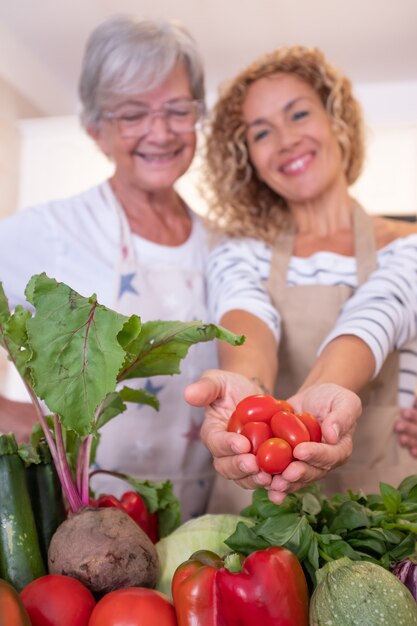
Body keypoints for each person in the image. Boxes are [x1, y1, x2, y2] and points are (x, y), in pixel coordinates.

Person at [0, 15, 218, 521]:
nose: (159, 131)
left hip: (206, 531)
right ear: (98, 130)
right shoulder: (52, 230)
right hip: (87, 525)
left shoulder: (222, 243)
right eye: (132, 113)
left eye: (176, 109)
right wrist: (15, 415)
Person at [185, 45, 417, 508]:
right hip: (262, 516)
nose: (286, 139)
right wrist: (248, 393)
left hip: (382, 515)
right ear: (246, 157)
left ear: (337, 122)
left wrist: (320, 394)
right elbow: (245, 314)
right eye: (262, 132)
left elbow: (378, 312)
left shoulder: (408, 246)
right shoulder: (238, 249)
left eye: (299, 114)